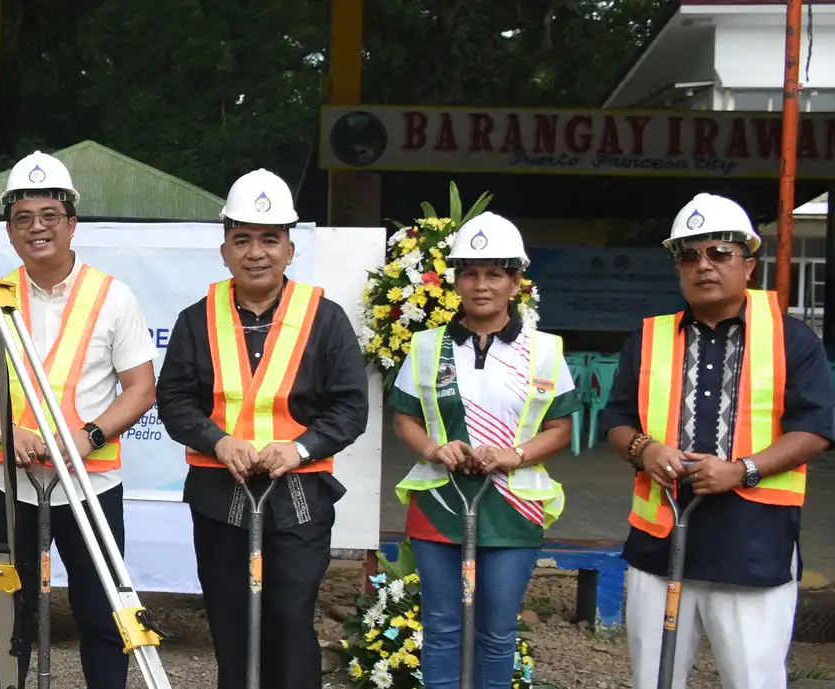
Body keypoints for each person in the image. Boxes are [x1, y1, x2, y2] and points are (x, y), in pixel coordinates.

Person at [602, 193, 833, 689]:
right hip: (659, 543)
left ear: (748, 264)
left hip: (751, 542)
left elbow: (815, 429)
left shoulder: (792, 340)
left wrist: (741, 470)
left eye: (719, 253)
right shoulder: (647, 339)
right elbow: (616, 420)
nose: (702, 265)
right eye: (688, 254)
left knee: (754, 680)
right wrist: (645, 450)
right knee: (653, 679)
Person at [156, 168, 367, 689]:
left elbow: (350, 408)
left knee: (290, 616)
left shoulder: (325, 318)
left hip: (300, 497)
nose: (256, 252)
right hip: (218, 494)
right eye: (243, 239)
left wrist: (300, 448)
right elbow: (174, 400)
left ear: (290, 249)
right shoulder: (194, 319)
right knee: (229, 620)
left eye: (270, 239)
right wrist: (217, 440)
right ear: (224, 249)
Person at [0, 151, 158, 689]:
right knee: (8, 616)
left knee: (102, 615)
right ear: (8, 230)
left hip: (91, 484)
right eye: (23, 218)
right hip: (12, 483)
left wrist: (88, 436)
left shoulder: (113, 296)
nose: (37, 228)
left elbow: (141, 389)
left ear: (72, 224)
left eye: (49, 215)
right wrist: (10, 432)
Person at [388, 213, 577, 689]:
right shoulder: (427, 346)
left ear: (516, 282)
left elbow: (560, 428)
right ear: (456, 281)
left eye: (494, 273)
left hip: (514, 506)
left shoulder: (546, 350)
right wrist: (434, 449)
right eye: (470, 273)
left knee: (497, 632)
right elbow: (405, 418)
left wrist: (516, 454)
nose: (481, 285)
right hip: (438, 501)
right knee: (442, 628)